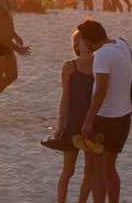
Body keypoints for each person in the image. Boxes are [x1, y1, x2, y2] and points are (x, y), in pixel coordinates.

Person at [79, 19, 132, 203]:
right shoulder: (122, 43)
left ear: (87, 40)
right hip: (124, 116)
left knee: (96, 168)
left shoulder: (101, 54)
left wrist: (88, 121)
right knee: (110, 166)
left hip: (106, 118)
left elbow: (100, 91)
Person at [53, 31, 94, 203]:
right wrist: (60, 125)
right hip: (73, 123)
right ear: (77, 45)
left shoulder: (101, 65)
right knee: (68, 170)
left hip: (93, 123)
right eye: (84, 40)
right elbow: (65, 97)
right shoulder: (70, 66)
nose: (88, 43)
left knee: (90, 171)